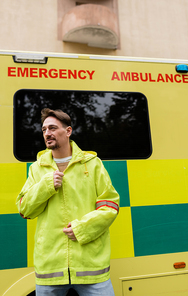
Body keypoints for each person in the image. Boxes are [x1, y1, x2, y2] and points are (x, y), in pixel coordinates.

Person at [16, 108, 119, 296]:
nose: (47, 133)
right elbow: (24, 209)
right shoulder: (36, 169)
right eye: (44, 129)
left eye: (53, 128)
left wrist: (82, 229)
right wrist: (46, 185)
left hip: (91, 268)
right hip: (50, 268)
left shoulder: (93, 163)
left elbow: (110, 205)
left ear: (68, 131)